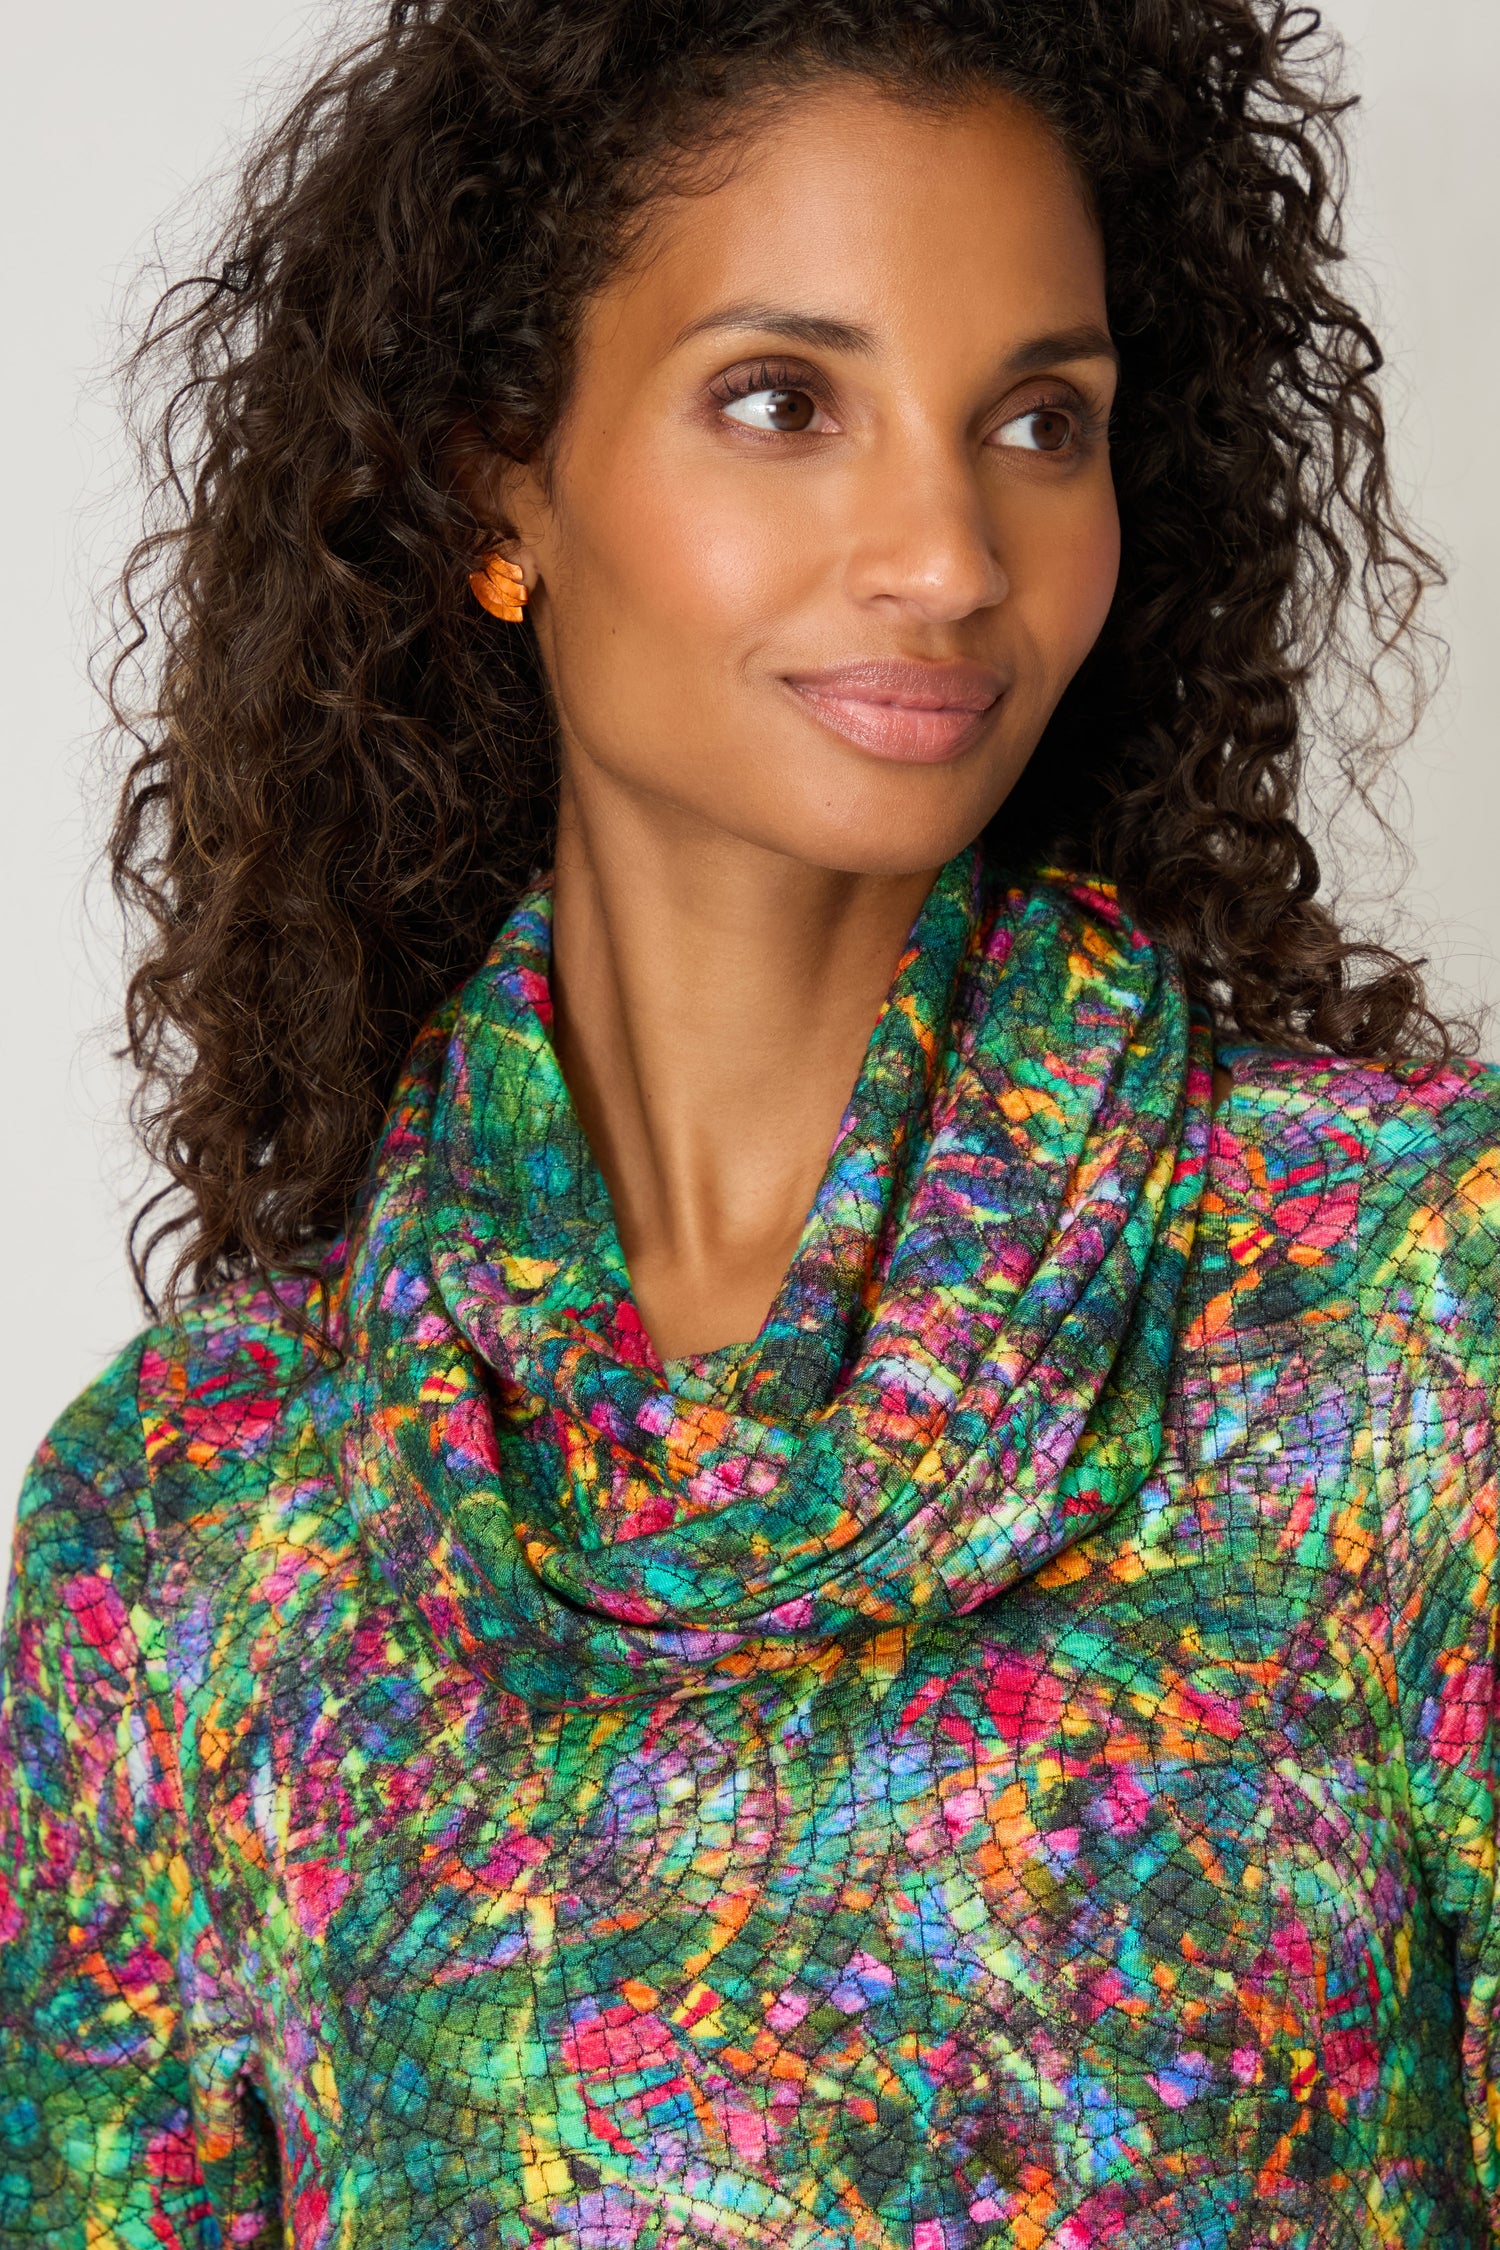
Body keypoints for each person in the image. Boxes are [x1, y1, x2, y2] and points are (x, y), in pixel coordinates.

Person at [2, 0, 1496, 2241]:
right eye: (786, 401)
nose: (947, 550)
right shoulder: (199, 1520)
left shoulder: (1404, 1308)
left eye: (1038, 422)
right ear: (497, 479)